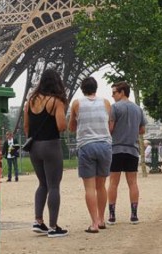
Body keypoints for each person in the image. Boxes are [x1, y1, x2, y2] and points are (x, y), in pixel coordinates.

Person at [24, 68, 69, 238]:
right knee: (54, 186)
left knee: (42, 184)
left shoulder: (31, 101)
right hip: (51, 146)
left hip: (34, 147)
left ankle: (38, 221)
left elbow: (26, 126)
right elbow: (61, 126)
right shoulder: (56, 101)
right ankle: (52, 227)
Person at [68, 77, 112, 233]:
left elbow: (71, 127)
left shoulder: (77, 103)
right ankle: (101, 220)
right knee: (101, 186)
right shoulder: (106, 103)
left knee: (89, 188)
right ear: (96, 88)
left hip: (86, 146)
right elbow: (109, 125)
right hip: (104, 146)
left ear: (82, 89)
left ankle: (93, 224)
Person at [107, 81, 147, 225]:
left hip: (116, 149)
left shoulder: (115, 108)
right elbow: (142, 130)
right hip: (132, 149)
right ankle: (134, 214)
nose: (112, 96)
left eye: (114, 92)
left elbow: (110, 129)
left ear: (122, 92)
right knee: (133, 183)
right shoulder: (138, 109)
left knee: (113, 183)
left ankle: (112, 215)